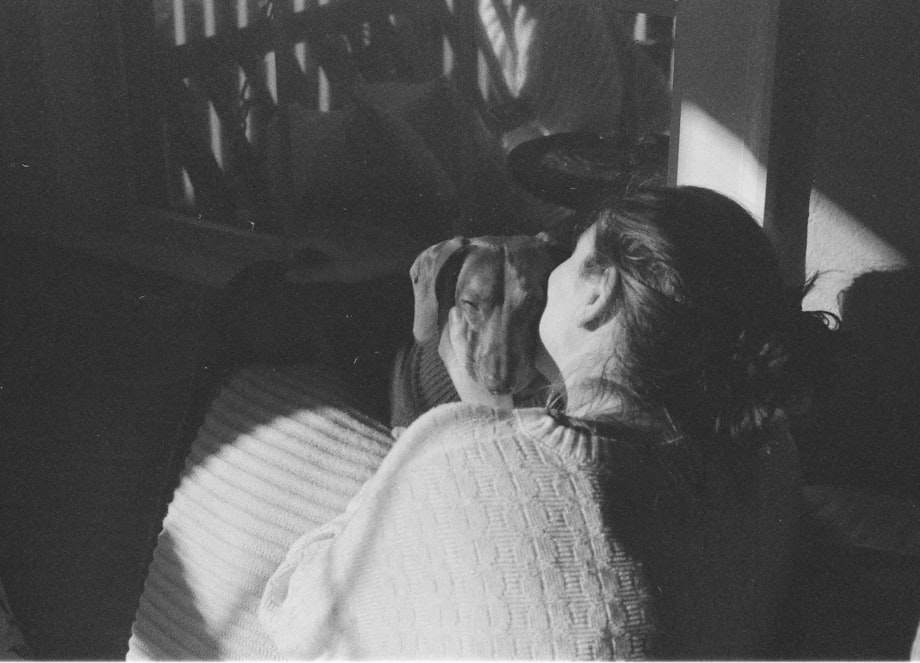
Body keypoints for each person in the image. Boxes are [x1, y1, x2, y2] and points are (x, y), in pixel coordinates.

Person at [257, 179, 835, 659]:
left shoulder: (466, 453)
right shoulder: (771, 449)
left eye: (569, 259)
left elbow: (293, 613)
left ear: (598, 291)